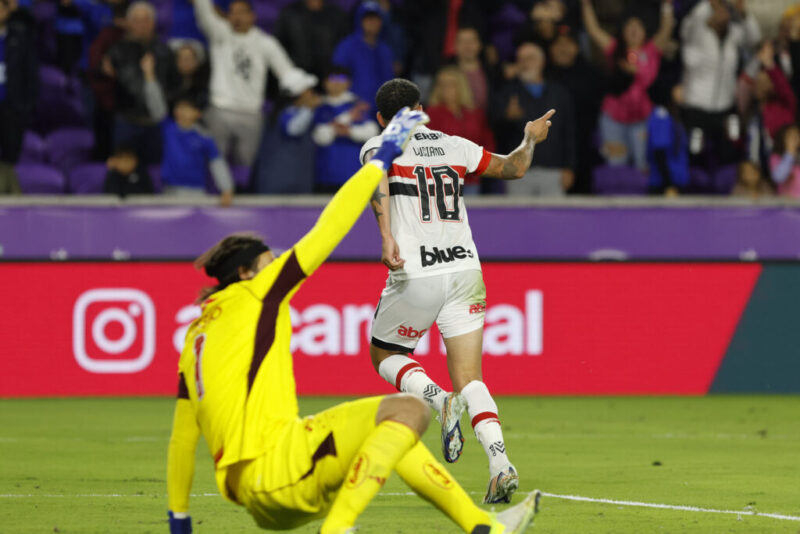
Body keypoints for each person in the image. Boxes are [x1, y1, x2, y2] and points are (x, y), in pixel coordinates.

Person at [165, 107, 541, 534]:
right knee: (415, 407)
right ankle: (339, 527)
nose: (276, 265)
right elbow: (330, 226)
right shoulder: (259, 293)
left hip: (262, 486)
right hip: (282, 469)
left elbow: (181, 438)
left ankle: (481, 525)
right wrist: (382, 159)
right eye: (269, 261)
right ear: (248, 273)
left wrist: (179, 519)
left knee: (397, 417)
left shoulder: (196, 334)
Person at [360, 78, 554, 504]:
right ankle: (501, 464)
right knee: (472, 377)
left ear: (380, 118)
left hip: (417, 271)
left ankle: (437, 398)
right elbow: (514, 168)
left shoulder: (377, 146)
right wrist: (528, 138)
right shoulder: (454, 144)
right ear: (420, 109)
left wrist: (386, 236)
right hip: (466, 269)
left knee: (385, 354)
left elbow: (380, 184)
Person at [194, 0, 299, 167]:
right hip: (220, 109)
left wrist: (304, 89)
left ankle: (240, 191)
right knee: (213, 163)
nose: (237, 16)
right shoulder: (219, 33)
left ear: (252, 16)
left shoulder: (265, 42)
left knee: (245, 165)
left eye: (242, 12)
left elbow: (286, 71)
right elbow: (204, 11)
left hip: (251, 113)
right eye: (233, 12)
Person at [582, 0, 674, 172]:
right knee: (616, 164)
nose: (633, 29)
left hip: (641, 119)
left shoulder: (651, 50)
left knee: (642, 164)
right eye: (629, 26)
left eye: (637, 26)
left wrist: (667, 6)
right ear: (622, 31)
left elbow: (666, 29)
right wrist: (586, 5)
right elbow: (594, 31)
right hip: (613, 118)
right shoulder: (615, 49)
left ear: (645, 31)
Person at [142, 53, 234, 206]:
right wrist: (149, 75)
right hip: (169, 192)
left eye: (186, 108)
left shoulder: (204, 136)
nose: (181, 111)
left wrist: (227, 189)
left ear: (197, 113)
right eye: (179, 107)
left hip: (196, 193)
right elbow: (155, 104)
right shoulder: (168, 128)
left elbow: (217, 162)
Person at [680, 0, 761, 171]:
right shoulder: (697, 34)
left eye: (726, 11)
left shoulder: (733, 34)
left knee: (732, 148)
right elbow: (690, 23)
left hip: (725, 106)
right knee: (695, 152)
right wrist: (709, 4)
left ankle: (728, 189)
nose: (724, 14)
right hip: (697, 107)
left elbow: (754, 39)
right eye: (719, 10)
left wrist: (743, 13)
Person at [490, 42, 575, 196]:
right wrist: (507, 118)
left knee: (554, 219)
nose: (524, 63)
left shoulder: (559, 93)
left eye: (529, 58)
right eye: (520, 59)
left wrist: (570, 167)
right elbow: (495, 133)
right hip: (517, 171)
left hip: (553, 170)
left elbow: (569, 131)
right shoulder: (507, 93)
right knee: (517, 219)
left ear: (542, 62)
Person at [106, 1, 177, 166]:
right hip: (128, 121)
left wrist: (162, 106)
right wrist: (151, 81)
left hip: (157, 124)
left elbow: (174, 84)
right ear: (129, 23)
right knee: (124, 171)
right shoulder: (118, 50)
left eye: (146, 20)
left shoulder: (165, 51)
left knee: (155, 172)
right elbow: (130, 85)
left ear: (153, 23)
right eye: (137, 20)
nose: (142, 25)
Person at [426, 66, 496, 195]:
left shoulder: (475, 113)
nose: (446, 89)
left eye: (451, 85)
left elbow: (487, 141)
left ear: (461, 87)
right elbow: (428, 146)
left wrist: (479, 164)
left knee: (471, 214)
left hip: (472, 178)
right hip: (442, 179)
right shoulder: (432, 113)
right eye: (442, 85)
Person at [311, 67, 380, 192]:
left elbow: (372, 132)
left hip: (354, 172)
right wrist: (348, 117)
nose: (336, 83)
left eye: (341, 79)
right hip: (325, 174)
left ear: (349, 82)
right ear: (324, 82)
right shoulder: (320, 107)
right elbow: (320, 138)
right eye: (332, 79)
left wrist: (349, 131)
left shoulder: (358, 105)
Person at [332, 2, 394, 108]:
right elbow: (336, 78)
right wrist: (350, 101)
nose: (372, 22)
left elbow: (389, 81)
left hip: (380, 110)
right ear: (360, 20)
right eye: (368, 18)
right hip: (353, 109)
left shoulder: (385, 49)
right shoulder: (347, 46)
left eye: (376, 18)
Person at [0, 0, 37, 170]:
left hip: (12, 106)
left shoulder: (20, 36)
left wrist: (25, 106)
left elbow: (31, 74)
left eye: (1, 6)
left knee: (10, 156)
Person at [274, 0, 349, 81]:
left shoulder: (336, 13)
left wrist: (336, 73)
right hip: (298, 75)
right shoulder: (290, 13)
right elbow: (279, 45)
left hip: (329, 77)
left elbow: (344, 45)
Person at [769, 123, 800, 197]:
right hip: (787, 204)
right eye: (791, 136)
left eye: (797, 135)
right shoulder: (776, 157)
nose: (794, 138)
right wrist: (790, 153)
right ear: (782, 138)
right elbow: (779, 178)